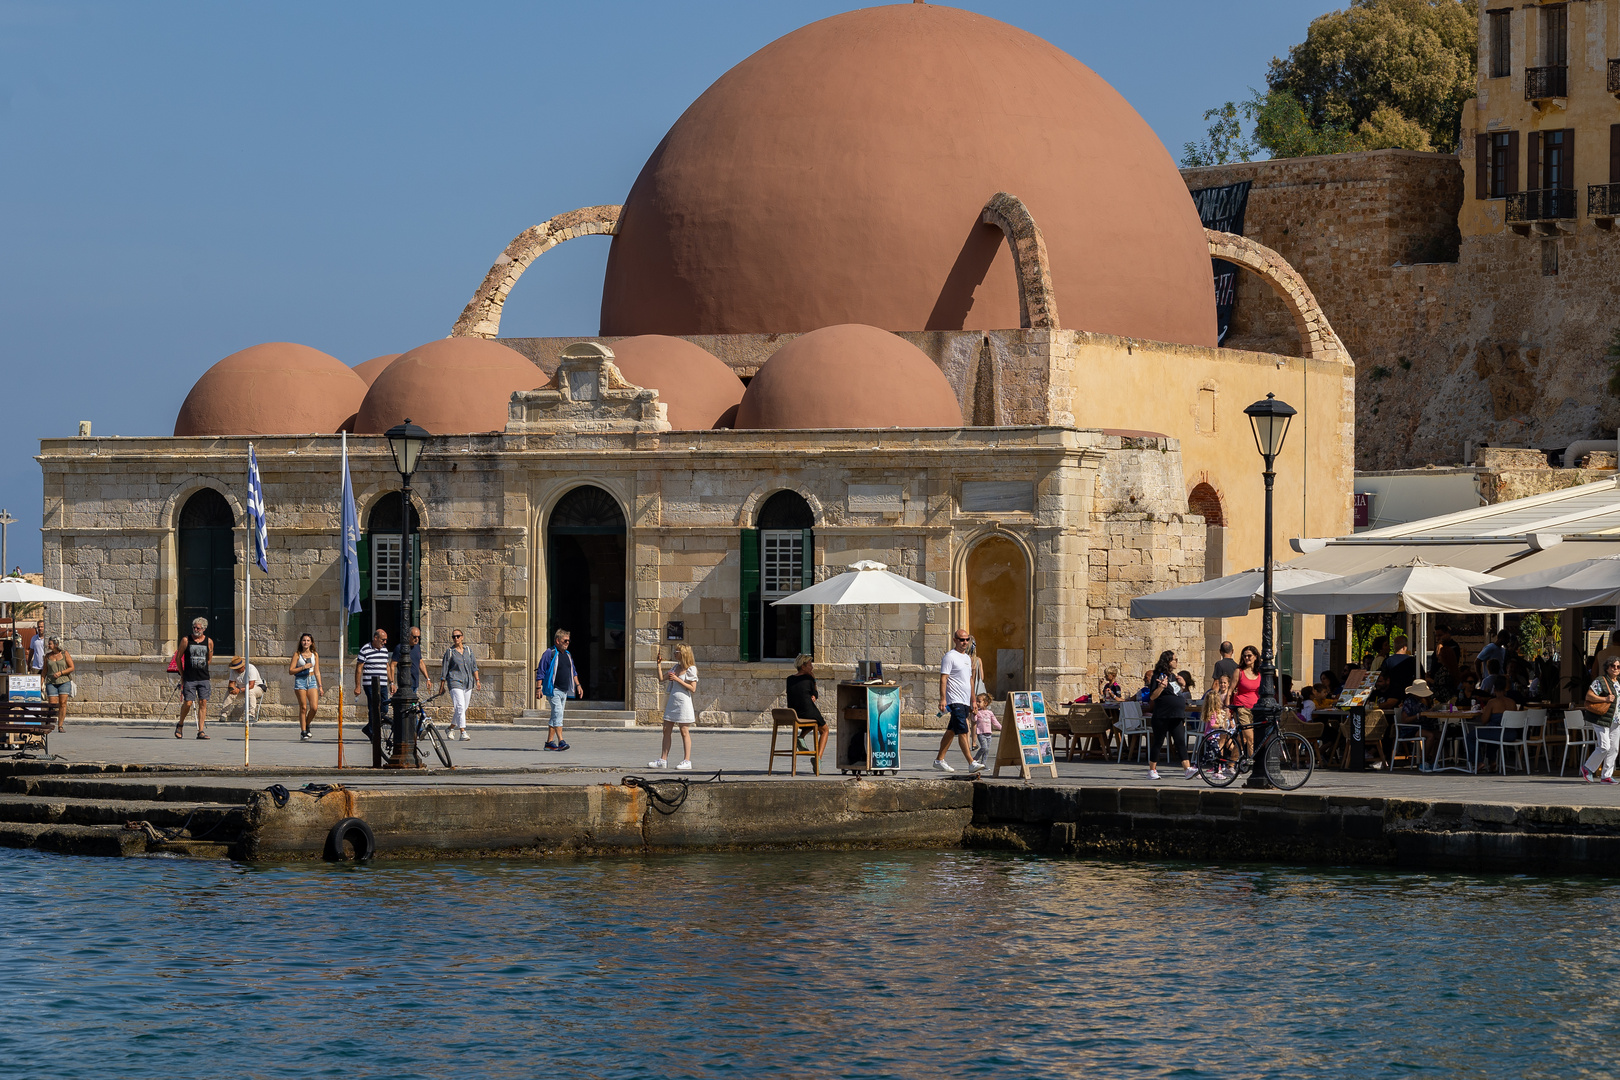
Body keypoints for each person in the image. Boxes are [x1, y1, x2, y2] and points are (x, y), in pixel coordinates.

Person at [933, 628, 983, 772]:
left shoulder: (967, 658)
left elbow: (970, 680)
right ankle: (971, 762)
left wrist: (973, 700)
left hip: (965, 700)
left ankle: (939, 760)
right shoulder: (950, 656)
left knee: (951, 730)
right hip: (954, 700)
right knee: (963, 730)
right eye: (962, 639)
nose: (965, 642)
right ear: (955, 640)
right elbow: (944, 678)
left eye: (967, 639)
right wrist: (943, 699)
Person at [1146, 650, 1195, 781]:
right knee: (1158, 742)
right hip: (1163, 715)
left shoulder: (1173, 676)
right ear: (1168, 661)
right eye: (1175, 660)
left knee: (1180, 741)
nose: (1176, 662)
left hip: (1176, 715)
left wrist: (1183, 686)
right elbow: (1153, 696)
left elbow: (1176, 693)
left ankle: (1187, 769)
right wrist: (1161, 687)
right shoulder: (1158, 675)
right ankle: (1152, 770)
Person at [650, 643, 697, 770]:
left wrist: (677, 679)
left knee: (684, 731)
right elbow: (661, 678)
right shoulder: (675, 667)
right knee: (666, 729)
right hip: (673, 701)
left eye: (677, 651)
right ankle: (663, 760)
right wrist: (658, 664)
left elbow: (692, 688)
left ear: (683, 654)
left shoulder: (690, 669)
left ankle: (687, 760)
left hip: (683, 702)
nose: (675, 653)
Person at [536, 628, 583, 752]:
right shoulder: (549, 653)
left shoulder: (567, 655)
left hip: (564, 690)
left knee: (555, 715)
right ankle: (561, 741)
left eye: (568, 640)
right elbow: (541, 671)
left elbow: (573, 671)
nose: (567, 643)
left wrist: (578, 685)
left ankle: (549, 743)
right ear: (557, 641)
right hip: (554, 690)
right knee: (558, 714)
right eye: (565, 640)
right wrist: (538, 688)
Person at [438, 629, 481, 742]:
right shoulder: (450, 652)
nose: (456, 638)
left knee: (462, 708)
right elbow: (445, 669)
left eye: (458, 636)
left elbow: (474, 666)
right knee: (460, 706)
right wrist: (442, 685)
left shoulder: (468, 651)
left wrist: (477, 680)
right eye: (454, 637)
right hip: (454, 681)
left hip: (468, 682)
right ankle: (463, 732)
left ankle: (450, 728)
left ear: (462, 637)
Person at [174, 617, 214, 739]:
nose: (196, 630)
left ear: (204, 629)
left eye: (198, 628)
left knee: (203, 702)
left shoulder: (209, 641)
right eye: (194, 627)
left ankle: (200, 730)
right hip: (189, 678)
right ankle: (180, 724)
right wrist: (182, 674)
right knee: (188, 702)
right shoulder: (186, 640)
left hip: (203, 677)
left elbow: (209, 658)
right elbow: (178, 657)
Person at [1582, 657, 1620, 784]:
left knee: (1614, 748)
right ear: (1607, 667)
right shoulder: (1601, 681)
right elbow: (1589, 696)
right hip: (1601, 718)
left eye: (1618, 667)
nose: (1615, 669)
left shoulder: (1618, 682)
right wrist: (1605, 699)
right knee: (1604, 746)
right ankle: (1588, 768)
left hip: (1616, 719)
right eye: (1613, 666)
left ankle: (1606, 776)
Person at [785, 653, 827, 757]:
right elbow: (815, 693)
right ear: (803, 667)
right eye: (809, 665)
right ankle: (818, 759)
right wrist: (814, 680)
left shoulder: (789, 679)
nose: (812, 667)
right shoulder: (808, 679)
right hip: (808, 711)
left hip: (794, 713)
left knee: (813, 722)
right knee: (825, 730)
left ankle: (801, 737)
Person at [354, 628, 391, 742]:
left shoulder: (384, 650)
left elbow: (387, 666)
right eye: (383, 640)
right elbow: (359, 668)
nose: (384, 642)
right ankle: (373, 732)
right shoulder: (365, 649)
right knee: (374, 707)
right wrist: (358, 686)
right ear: (376, 638)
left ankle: (369, 728)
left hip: (383, 684)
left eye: (386, 640)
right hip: (370, 684)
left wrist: (392, 682)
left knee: (384, 708)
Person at [1199, 672, 1233, 778]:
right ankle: (1217, 769)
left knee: (1224, 746)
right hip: (1217, 729)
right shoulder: (1216, 697)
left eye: (1224, 683)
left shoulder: (1228, 695)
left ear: (1228, 684)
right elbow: (1213, 724)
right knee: (1218, 749)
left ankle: (1217, 768)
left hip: (1224, 722)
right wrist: (1221, 725)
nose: (1222, 685)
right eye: (1221, 683)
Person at [288, 633, 321, 741]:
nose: (305, 642)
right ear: (301, 642)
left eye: (308, 640)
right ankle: (303, 732)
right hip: (301, 681)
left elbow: (317, 671)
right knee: (303, 707)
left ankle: (306, 724)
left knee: (314, 707)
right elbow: (291, 671)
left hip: (312, 680)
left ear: (311, 642)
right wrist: (303, 667)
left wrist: (320, 686)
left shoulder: (315, 654)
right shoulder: (297, 654)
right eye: (304, 640)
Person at [1231, 645, 1261, 758]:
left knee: (1242, 738)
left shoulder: (1260, 673)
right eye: (1244, 656)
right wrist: (1229, 709)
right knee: (1250, 738)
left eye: (1249, 656)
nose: (1247, 658)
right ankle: (1253, 764)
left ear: (1255, 657)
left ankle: (1230, 764)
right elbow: (1230, 690)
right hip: (1242, 707)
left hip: (1256, 709)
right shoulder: (1239, 672)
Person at [41, 637, 74, 733]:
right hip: (51, 682)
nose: (48, 645)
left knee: (63, 703)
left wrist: (61, 673)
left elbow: (71, 667)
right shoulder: (47, 656)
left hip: (64, 681)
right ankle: (49, 721)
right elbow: (44, 671)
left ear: (56, 644)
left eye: (50, 643)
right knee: (52, 703)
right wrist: (41, 682)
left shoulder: (65, 654)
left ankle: (60, 725)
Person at [220, 655, 263, 727]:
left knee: (250, 691)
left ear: (243, 666)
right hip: (241, 689)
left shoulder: (251, 668)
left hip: (256, 688)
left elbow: (251, 685)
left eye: (238, 668)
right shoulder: (233, 671)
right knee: (229, 693)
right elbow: (231, 683)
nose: (237, 670)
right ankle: (223, 714)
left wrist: (239, 690)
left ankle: (251, 714)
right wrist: (232, 689)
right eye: (235, 669)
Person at [971, 691, 1000, 764]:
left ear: (985, 703)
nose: (977, 703)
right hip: (981, 733)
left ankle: (983, 764)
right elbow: (974, 720)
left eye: (979, 701)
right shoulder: (977, 712)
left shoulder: (990, 713)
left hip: (989, 734)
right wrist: (974, 714)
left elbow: (995, 722)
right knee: (984, 747)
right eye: (976, 701)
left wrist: (1002, 728)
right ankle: (975, 758)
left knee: (987, 750)